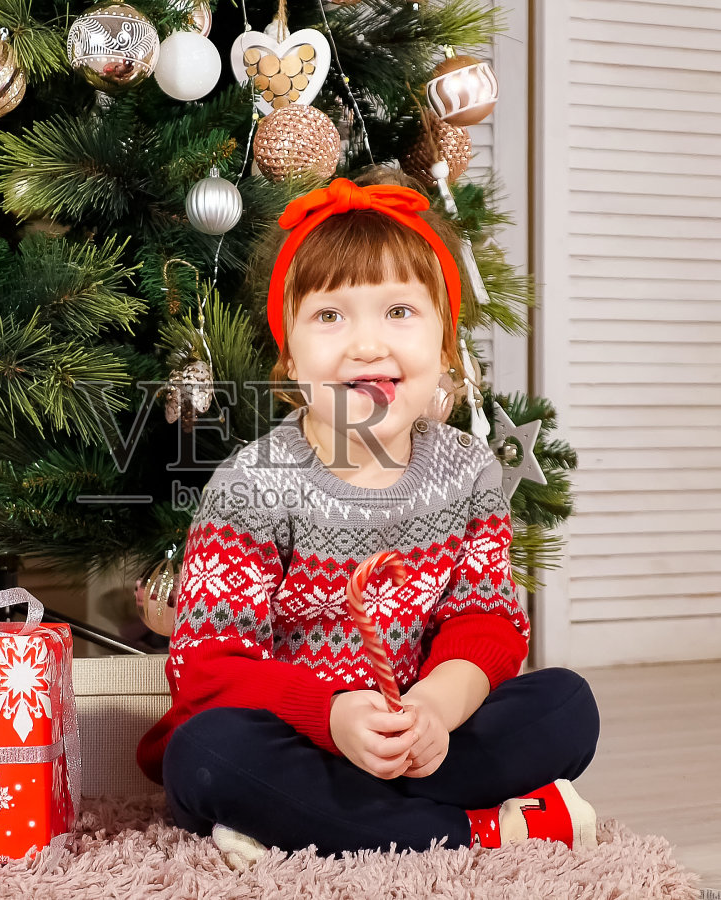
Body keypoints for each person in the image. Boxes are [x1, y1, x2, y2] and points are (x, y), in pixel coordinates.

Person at [135, 171, 601, 869]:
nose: (365, 344)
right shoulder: (253, 483)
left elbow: (488, 623)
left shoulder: (468, 470)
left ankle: (316, 822)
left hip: (419, 740)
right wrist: (332, 716)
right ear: (290, 358)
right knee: (206, 757)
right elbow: (209, 668)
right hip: (292, 735)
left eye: (399, 312)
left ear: (445, 350)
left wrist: (436, 711)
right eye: (330, 316)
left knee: (566, 705)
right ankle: (478, 830)